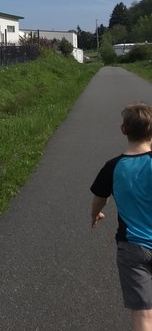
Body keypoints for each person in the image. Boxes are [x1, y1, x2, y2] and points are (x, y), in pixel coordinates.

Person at [91, 102, 152, 331]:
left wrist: (95, 214)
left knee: (143, 312)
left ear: (123, 129)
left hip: (132, 247)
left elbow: (100, 197)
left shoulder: (113, 167)